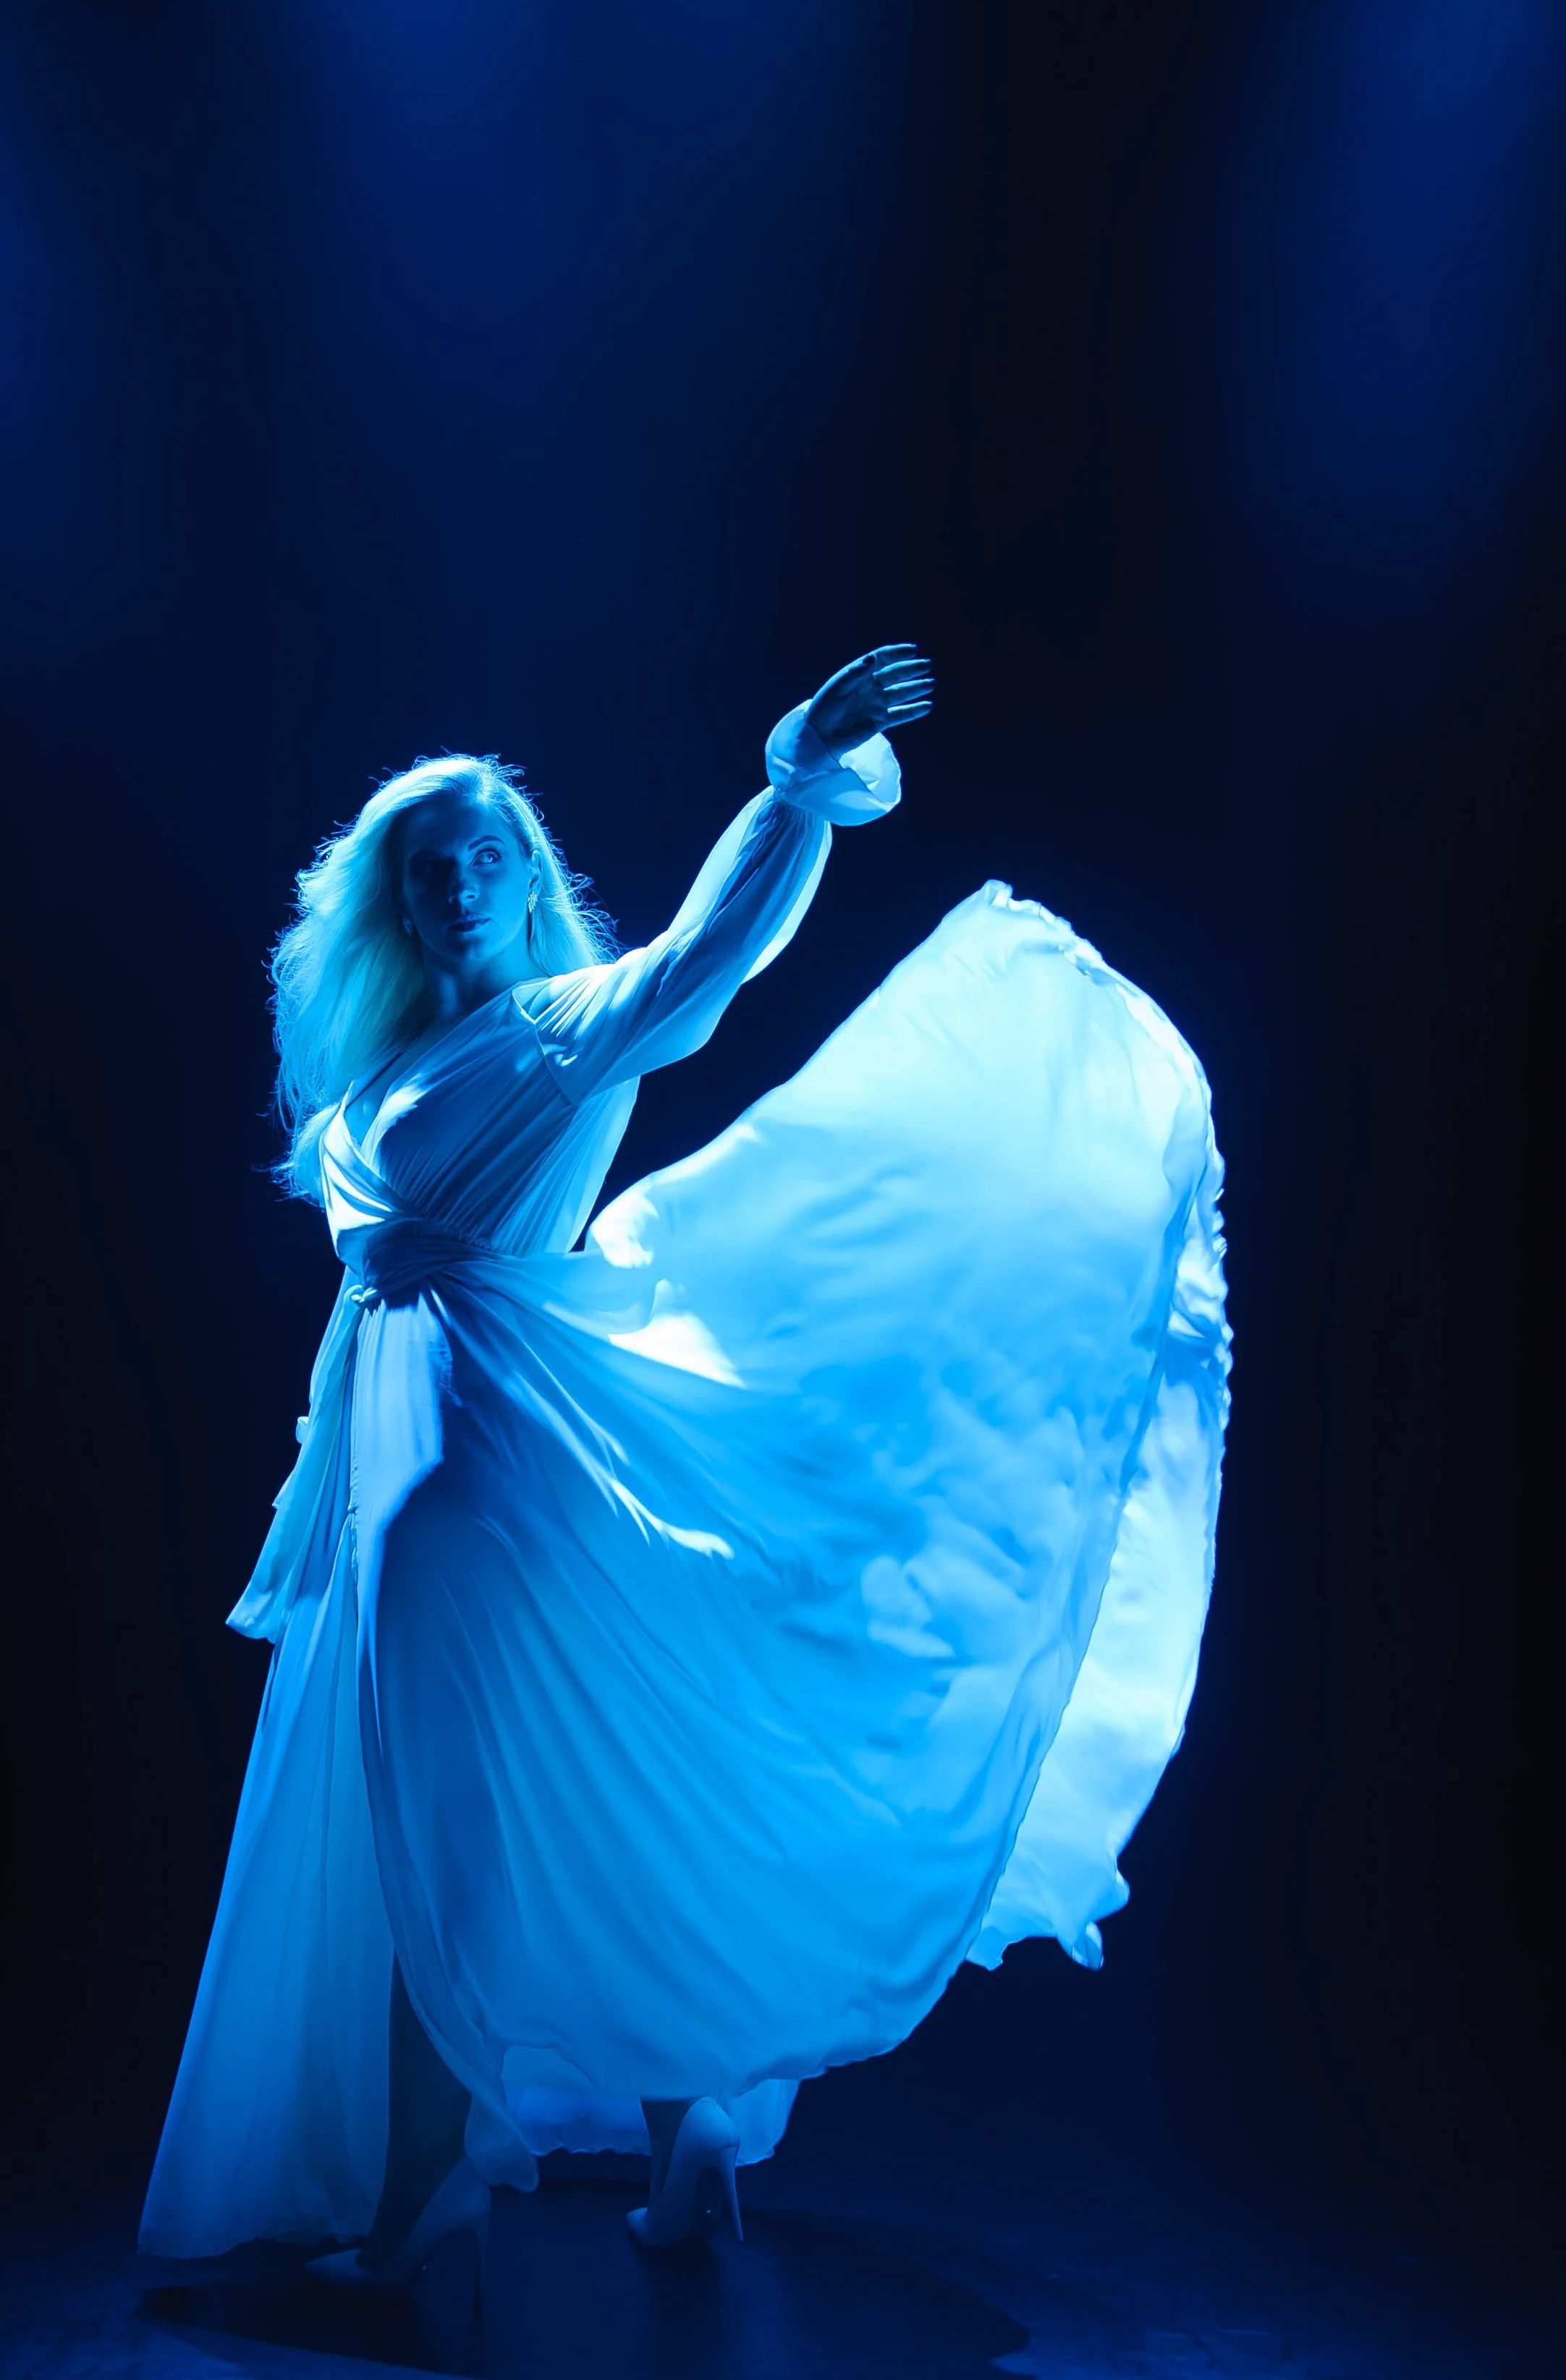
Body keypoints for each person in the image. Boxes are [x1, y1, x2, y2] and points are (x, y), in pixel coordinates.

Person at [138, 645, 1229, 2300]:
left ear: (525, 885)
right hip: (428, 1447)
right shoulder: (381, 1080)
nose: (458, 886)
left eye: (486, 859)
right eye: (427, 869)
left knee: (443, 1831)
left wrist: (789, 793)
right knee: (561, 1804)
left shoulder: (556, 1029)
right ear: (393, 903)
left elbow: (703, 965)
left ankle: (426, 2190)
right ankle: (681, 2142)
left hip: (465, 1462)